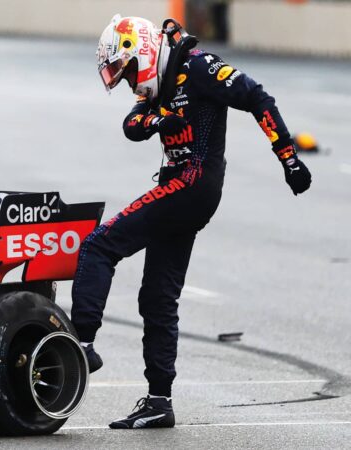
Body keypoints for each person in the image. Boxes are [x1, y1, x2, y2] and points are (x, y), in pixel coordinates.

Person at [73, 14, 312, 429]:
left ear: (142, 51)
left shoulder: (199, 67)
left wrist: (288, 157)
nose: (130, 82)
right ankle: (159, 401)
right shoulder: (161, 77)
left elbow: (258, 97)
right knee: (158, 297)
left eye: (127, 72)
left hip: (192, 184)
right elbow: (131, 125)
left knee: (98, 245)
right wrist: (157, 120)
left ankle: (81, 345)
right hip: (182, 189)